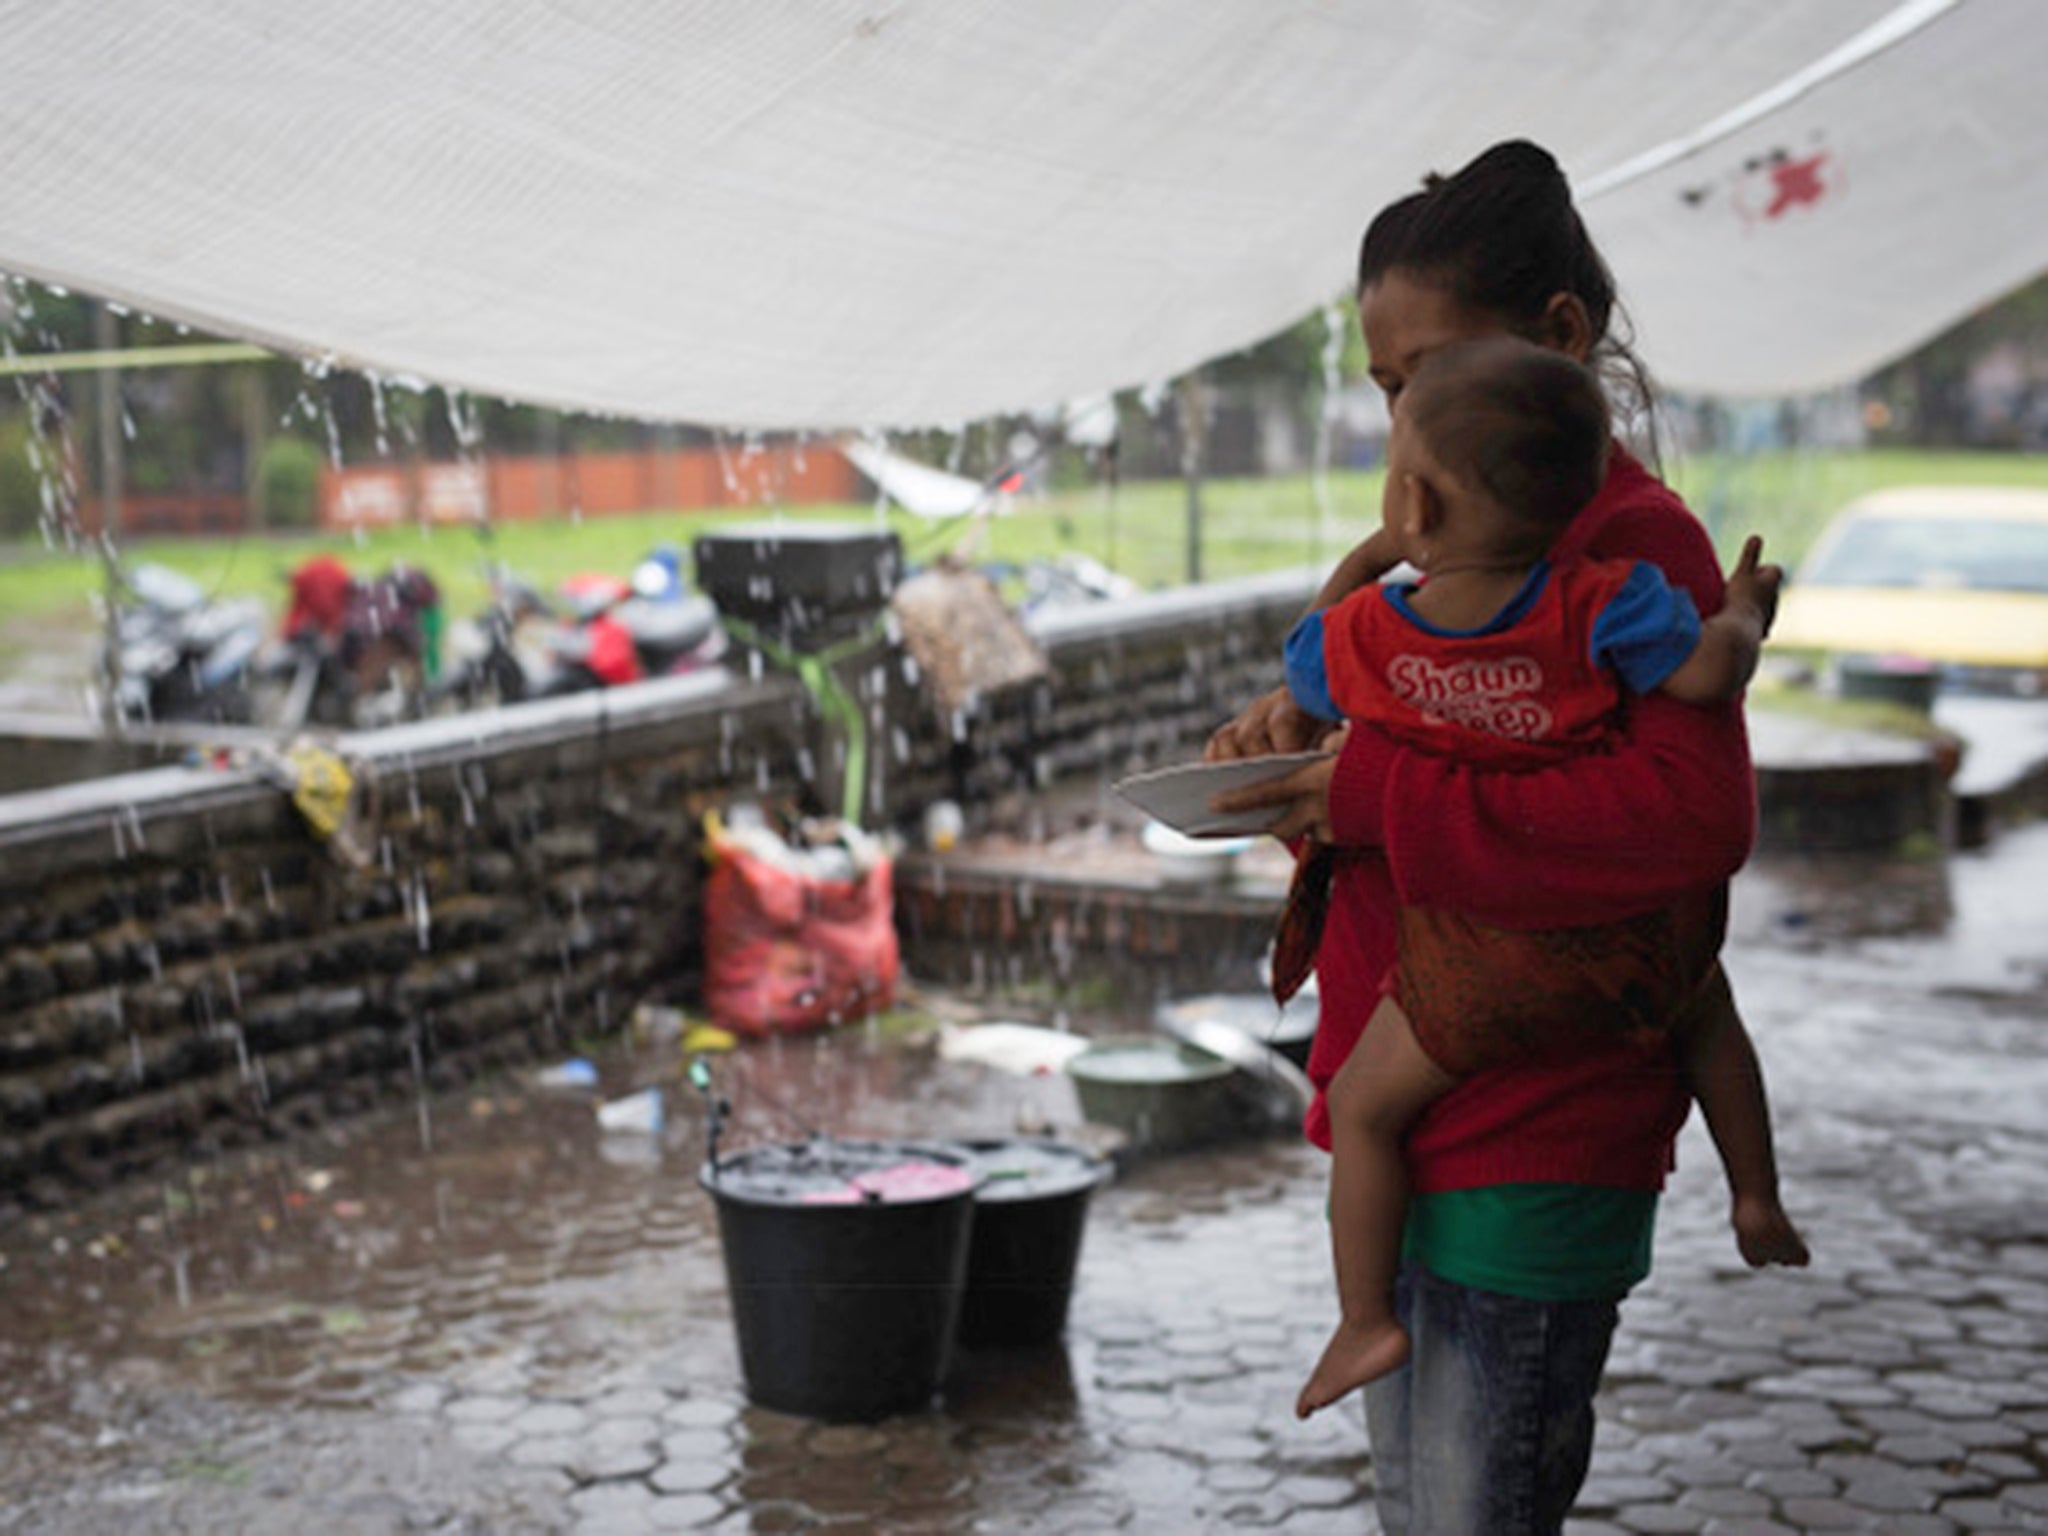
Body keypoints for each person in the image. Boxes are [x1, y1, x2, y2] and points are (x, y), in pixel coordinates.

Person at [1204, 138, 1806, 1535]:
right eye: (1383, 388)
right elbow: (1425, 733)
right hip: (1412, 1105)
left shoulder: (1632, 561)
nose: (1400, 418)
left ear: (1559, 341)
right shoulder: (1446, 554)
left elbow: (1688, 817)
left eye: (1427, 377)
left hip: (1538, 1132)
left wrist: (1366, 797)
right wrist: (1286, 749)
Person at [1278, 334, 1807, 1423]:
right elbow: (1706, 672)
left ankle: (1359, 1319)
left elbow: (1304, 658)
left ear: (1414, 504)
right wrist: (1745, 609)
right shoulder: (1600, 601)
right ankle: (1753, 1195)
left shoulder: (1373, 631)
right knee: (1698, 1001)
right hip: (1601, 935)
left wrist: (1371, 556)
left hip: (1467, 960)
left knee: (1366, 1114)